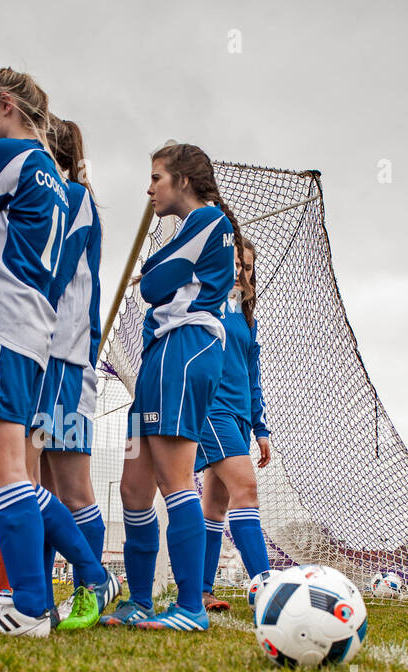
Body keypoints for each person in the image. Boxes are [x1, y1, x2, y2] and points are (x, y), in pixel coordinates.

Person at [0, 68, 117, 637]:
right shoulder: (49, 179)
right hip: (32, 339)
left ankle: (80, 585)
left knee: (36, 478)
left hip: (50, 349)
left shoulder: (59, 187)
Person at [100, 143, 240, 631]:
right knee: (134, 488)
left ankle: (191, 607)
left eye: (157, 177)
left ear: (183, 180)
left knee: (173, 479)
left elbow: (153, 285)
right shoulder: (189, 231)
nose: (149, 187)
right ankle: (139, 600)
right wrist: (159, 272)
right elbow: (161, 279)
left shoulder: (209, 220)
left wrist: (155, 273)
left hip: (187, 348)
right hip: (162, 354)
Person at [34, 116, 107, 629]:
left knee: (72, 484)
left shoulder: (73, 197)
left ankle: (93, 586)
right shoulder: (51, 193)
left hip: (64, 356)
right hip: (40, 355)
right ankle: (34, 593)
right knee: (34, 480)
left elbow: (50, 271)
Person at [197, 238, 272, 611]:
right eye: (236, 263)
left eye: (247, 266)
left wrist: (260, 428)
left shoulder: (247, 317)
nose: (241, 272)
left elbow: (252, 373)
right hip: (212, 411)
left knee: (215, 506)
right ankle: (267, 586)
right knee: (247, 490)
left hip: (240, 418)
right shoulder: (206, 303)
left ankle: (202, 589)